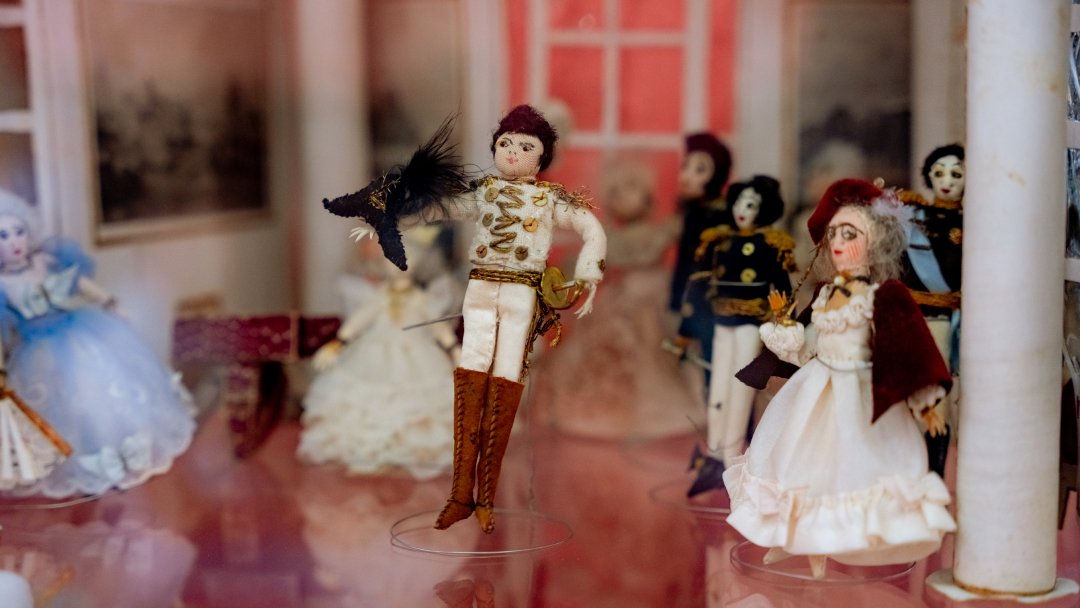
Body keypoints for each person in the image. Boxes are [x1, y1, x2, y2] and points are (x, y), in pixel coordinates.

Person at [323, 105, 606, 533]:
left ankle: (486, 496)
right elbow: (439, 210)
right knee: (471, 372)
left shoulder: (551, 200)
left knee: (506, 377)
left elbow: (591, 229)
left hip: (520, 293)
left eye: (525, 147)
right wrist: (389, 216)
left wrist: (587, 275)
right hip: (480, 290)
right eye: (505, 143)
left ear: (542, 157)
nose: (512, 152)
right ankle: (460, 496)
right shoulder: (483, 194)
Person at [726, 178, 956, 578]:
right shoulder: (824, 293)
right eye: (833, 233)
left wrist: (924, 402)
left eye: (850, 234)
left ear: (876, 242)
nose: (837, 242)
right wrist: (785, 331)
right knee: (798, 463)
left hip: (859, 397)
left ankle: (827, 546)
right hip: (815, 389)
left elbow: (907, 351)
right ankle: (791, 537)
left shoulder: (882, 296)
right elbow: (810, 347)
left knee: (845, 471)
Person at [0, 190, 195, 498]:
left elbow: (79, 283)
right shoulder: (2, 283)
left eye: (19, 231)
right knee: (55, 404)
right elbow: (6, 328)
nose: (14, 242)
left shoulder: (46, 260)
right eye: (3, 236)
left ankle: (121, 453)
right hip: (35, 347)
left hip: (76, 332)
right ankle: (79, 463)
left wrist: (109, 301)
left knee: (99, 389)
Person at [527, 160, 701, 439]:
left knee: (655, 352)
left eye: (630, 188)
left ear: (648, 194)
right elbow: (601, 260)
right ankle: (610, 407)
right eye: (615, 191)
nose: (622, 196)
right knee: (601, 350)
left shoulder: (657, 232)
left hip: (652, 301)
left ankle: (647, 408)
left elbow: (649, 249)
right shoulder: (609, 237)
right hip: (621, 300)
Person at [299, 229, 459, 480]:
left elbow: (437, 325)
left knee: (417, 402)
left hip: (414, 353)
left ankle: (408, 449)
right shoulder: (380, 296)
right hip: (374, 351)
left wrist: (453, 348)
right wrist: (340, 341)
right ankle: (371, 450)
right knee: (364, 396)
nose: (398, 269)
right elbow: (361, 317)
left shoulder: (419, 298)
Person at [678, 175, 796, 496]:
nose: (743, 210)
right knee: (718, 388)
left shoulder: (771, 245)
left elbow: (782, 290)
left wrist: (785, 326)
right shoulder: (719, 241)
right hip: (720, 322)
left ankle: (731, 460)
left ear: (763, 210)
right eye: (740, 203)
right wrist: (687, 326)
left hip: (749, 324)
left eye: (752, 204)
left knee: (740, 390)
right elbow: (700, 283)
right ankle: (715, 453)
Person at [900, 144, 965, 476]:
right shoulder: (914, 217)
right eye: (939, 173)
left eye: (956, 174)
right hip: (914, 320)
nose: (947, 181)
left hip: (945, 321)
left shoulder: (970, 223)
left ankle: (934, 473)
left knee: (939, 402)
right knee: (910, 395)